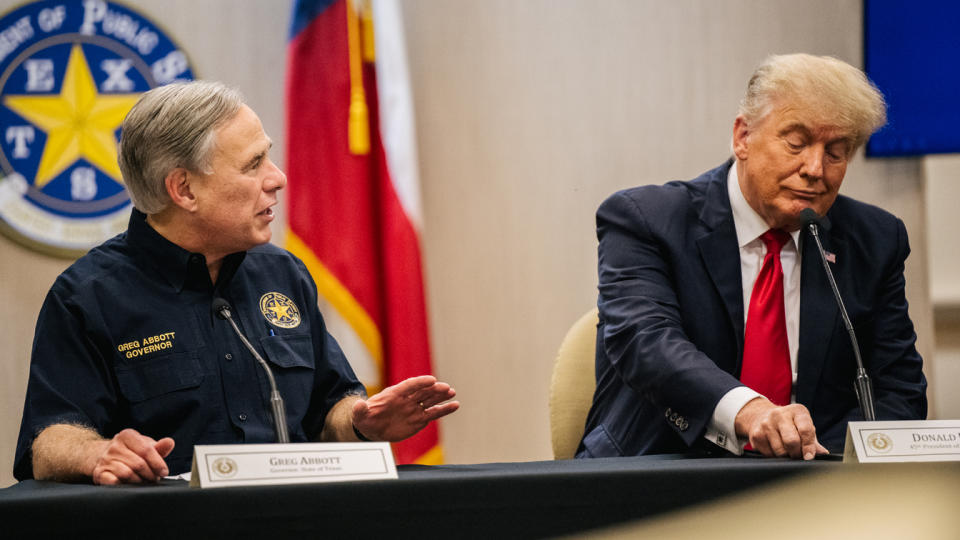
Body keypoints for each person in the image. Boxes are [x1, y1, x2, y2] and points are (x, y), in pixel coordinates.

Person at [14, 81, 459, 485]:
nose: (277, 178)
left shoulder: (283, 274)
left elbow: (330, 411)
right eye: (253, 164)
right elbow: (48, 439)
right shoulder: (87, 295)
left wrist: (362, 423)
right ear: (184, 190)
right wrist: (97, 452)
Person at [577, 54, 927, 461]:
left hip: (813, 490)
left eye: (836, 152)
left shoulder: (875, 240)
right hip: (661, 475)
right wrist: (749, 410)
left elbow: (897, 390)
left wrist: (828, 466)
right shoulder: (647, 220)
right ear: (743, 136)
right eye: (796, 143)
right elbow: (647, 344)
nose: (814, 168)